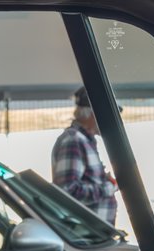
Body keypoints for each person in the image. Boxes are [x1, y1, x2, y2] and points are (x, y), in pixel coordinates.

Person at [50, 87, 119, 225]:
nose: (111, 119)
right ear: (94, 114)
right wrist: (108, 187)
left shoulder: (85, 141)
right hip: (87, 238)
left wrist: (102, 180)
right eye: (108, 113)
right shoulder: (74, 140)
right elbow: (67, 192)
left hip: (95, 237)